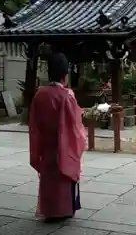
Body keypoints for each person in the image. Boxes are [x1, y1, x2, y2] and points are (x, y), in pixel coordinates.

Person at [29, 52, 86, 222]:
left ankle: (49, 209)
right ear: (64, 75)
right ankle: (64, 209)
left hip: (46, 148)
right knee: (63, 176)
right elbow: (74, 127)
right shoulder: (67, 96)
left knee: (49, 179)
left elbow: (34, 125)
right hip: (64, 146)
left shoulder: (40, 94)